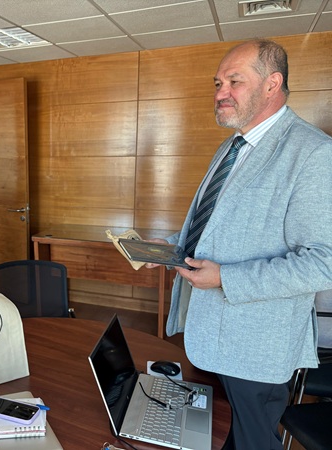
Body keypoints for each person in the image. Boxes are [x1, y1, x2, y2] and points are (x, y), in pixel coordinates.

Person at [147, 39, 332, 449]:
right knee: (218, 438)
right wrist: (170, 245)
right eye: (218, 83)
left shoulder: (314, 153)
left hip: (257, 348)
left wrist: (226, 278)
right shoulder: (231, 146)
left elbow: (323, 263)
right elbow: (216, 224)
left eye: (234, 81)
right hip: (209, 336)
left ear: (272, 84)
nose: (220, 93)